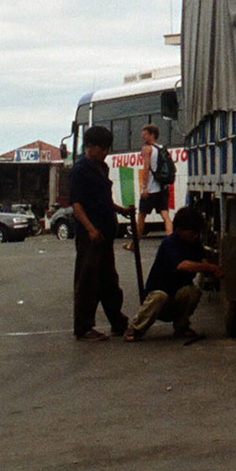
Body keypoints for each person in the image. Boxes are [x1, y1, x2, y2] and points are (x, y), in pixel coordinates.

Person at [125, 206, 219, 343]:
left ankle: (182, 326)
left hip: (177, 297)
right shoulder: (170, 243)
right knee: (159, 296)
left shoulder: (195, 244)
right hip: (158, 299)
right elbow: (182, 265)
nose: (195, 236)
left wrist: (214, 270)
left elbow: (203, 262)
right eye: (191, 232)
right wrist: (209, 267)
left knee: (192, 291)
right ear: (179, 230)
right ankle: (135, 328)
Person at [69, 125, 127, 341]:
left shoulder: (102, 168)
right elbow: (76, 205)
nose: (105, 152)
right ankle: (83, 327)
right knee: (88, 281)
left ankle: (118, 321)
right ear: (90, 146)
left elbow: (105, 201)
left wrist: (121, 210)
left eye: (107, 148)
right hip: (90, 236)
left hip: (105, 233)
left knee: (109, 280)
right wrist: (90, 229)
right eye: (102, 148)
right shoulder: (80, 170)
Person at [127, 124, 175, 251]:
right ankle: (171, 244)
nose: (142, 137)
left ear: (151, 134)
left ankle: (134, 245)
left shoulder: (147, 149)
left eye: (145, 134)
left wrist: (144, 188)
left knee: (141, 216)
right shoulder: (161, 148)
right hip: (162, 188)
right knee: (166, 216)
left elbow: (146, 169)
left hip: (150, 190)